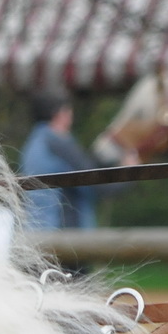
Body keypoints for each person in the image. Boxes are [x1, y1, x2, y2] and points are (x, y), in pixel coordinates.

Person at [19, 91, 126, 230]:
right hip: (63, 236)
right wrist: (127, 170)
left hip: (36, 232)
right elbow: (96, 183)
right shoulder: (58, 142)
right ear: (59, 114)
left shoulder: (34, 143)